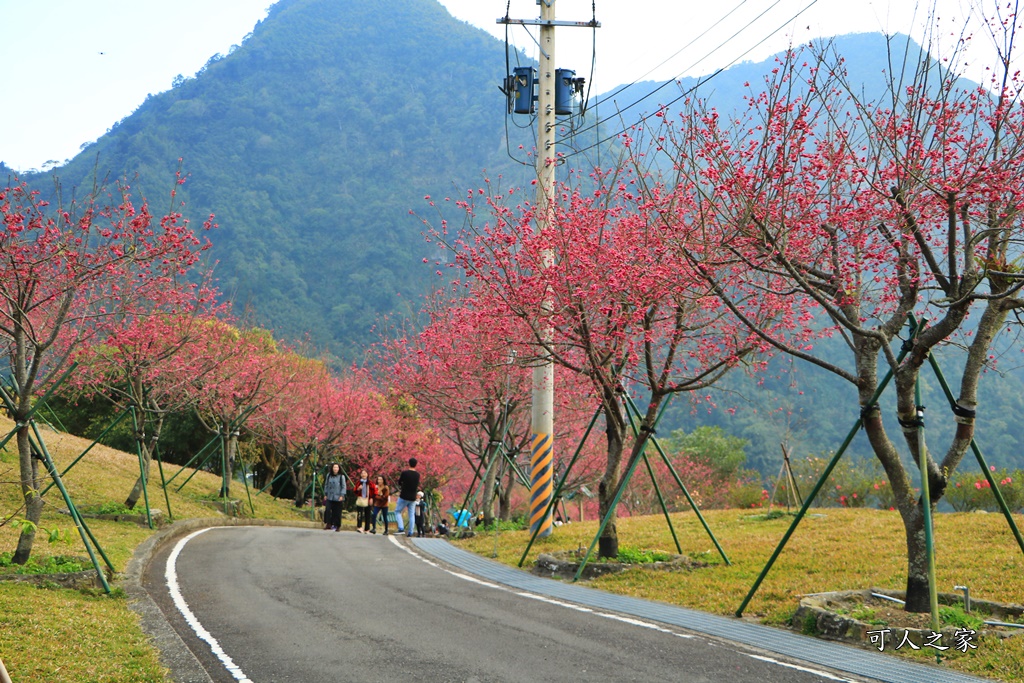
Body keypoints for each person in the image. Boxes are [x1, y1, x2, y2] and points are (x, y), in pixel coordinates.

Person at [394, 457, 420, 537]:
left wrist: (402, 485)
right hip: (413, 497)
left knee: (397, 511)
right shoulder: (417, 475)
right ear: (416, 464)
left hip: (404, 496)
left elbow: (399, 482)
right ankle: (410, 532)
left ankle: (401, 528)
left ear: (409, 463)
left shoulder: (405, 473)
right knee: (411, 514)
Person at [322, 463, 347, 532]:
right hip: (330, 496)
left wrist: (342, 495)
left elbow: (343, 486)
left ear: (339, 469)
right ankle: (328, 523)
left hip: (338, 496)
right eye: (334, 467)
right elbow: (326, 485)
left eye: (337, 467)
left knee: (337, 512)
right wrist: (325, 494)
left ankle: (337, 525)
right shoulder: (329, 475)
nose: (335, 469)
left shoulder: (341, 477)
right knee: (327, 510)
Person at [354, 469, 376, 534]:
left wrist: (371, 498)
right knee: (360, 514)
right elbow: (355, 491)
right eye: (362, 473)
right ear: (360, 475)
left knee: (367, 514)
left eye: (365, 473)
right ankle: (359, 527)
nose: (363, 474)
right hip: (360, 499)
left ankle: (367, 528)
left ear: (367, 474)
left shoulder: (370, 483)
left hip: (368, 500)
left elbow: (374, 491)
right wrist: (358, 489)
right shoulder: (358, 482)